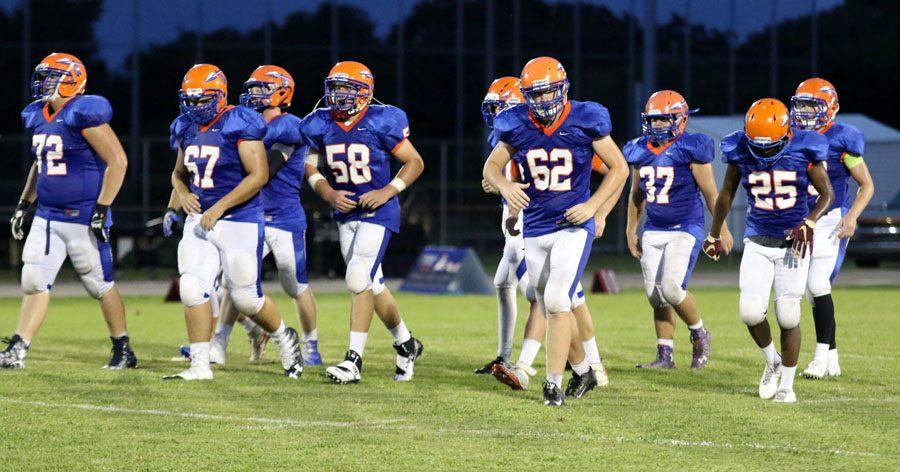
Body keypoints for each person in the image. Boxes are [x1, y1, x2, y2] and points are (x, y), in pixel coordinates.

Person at [483, 56, 628, 406]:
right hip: (534, 226)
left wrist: (594, 207)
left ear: (563, 90)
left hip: (572, 225)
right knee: (548, 302)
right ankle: (583, 370)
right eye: (536, 95)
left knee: (559, 299)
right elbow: (491, 167)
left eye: (550, 94)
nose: (545, 101)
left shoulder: (585, 118)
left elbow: (619, 168)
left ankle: (552, 383)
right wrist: (504, 185)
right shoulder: (516, 123)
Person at [165, 63, 303, 381]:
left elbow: (259, 175)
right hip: (200, 220)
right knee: (191, 286)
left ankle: (285, 338)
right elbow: (178, 173)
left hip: (239, 219)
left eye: (203, 99)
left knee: (245, 298)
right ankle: (200, 365)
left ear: (221, 95)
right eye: (191, 99)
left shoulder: (239, 121)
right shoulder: (184, 126)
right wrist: (180, 199)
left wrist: (220, 208)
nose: (196, 106)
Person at [2, 52, 136, 370]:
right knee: (33, 279)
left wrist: (103, 207)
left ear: (72, 79)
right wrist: (24, 203)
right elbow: (41, 163)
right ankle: (19, 348)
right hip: (48, 215)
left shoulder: (84, 113)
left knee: (99, 284)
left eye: (52, 77)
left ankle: (123, 348)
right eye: (43, 76)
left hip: (82, 216)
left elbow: (119, 161)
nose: (44, 83)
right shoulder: (38, 115)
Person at [302, 61, 426, 384]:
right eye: (335, 88)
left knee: (358, 277)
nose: (339, 95)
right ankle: (406, 343)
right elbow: (311, 166)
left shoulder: (381, 120)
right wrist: (327, 192)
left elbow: (415, 161)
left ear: (364, 92)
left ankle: (353, 360)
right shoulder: (320, 123)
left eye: (346, 89)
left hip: (378, 212)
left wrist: (387, 191)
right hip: (345, 212)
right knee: (373, 284)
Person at [704, 98, 833, 403]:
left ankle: (787, 384)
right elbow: (725, 194)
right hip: (758, 240)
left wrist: (810, 222)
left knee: (788, 315)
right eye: (756, 144)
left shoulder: (805, 148)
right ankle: (772, 360)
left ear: (787, 134)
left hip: (794, 241)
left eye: (769, 144)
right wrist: (714, 233)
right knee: (749, 311)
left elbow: (827, 194)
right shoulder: (740, 149)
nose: (762, 151)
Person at [202, 65, 323, 367]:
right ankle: (222, 342)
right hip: (247, 215)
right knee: (232, 283)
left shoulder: (289, 125)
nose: (253, 93)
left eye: (262, 88)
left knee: (296, 286)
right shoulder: (243, 122)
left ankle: (310, 346)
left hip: (283, 217)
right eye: (252, 88)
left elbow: (265, 171)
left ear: (282, 93)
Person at [624, 90, 729, 369]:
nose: (657, 126)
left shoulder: (691, 148)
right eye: (654, 120)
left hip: (686, 226)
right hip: (654, 228)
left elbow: (711, 192)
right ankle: (665, 355)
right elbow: (636, 195)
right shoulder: (639, 150)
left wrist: (722, 229)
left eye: (664, 120)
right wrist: (630, 229)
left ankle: (700, 333)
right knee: (656, 297)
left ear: (681, 119)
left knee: (671, 289)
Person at [789, 78, 874, 379]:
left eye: (813, 105)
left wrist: (851, 216)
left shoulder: (843, 139)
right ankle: (832, 357)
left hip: (829, 220)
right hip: (800, 220)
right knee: (805, 291)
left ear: (831, 108)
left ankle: (819, 358)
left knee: (817, 286)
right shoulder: (791, 136)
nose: (806, 112)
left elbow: (866, 185)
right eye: (802, 105)